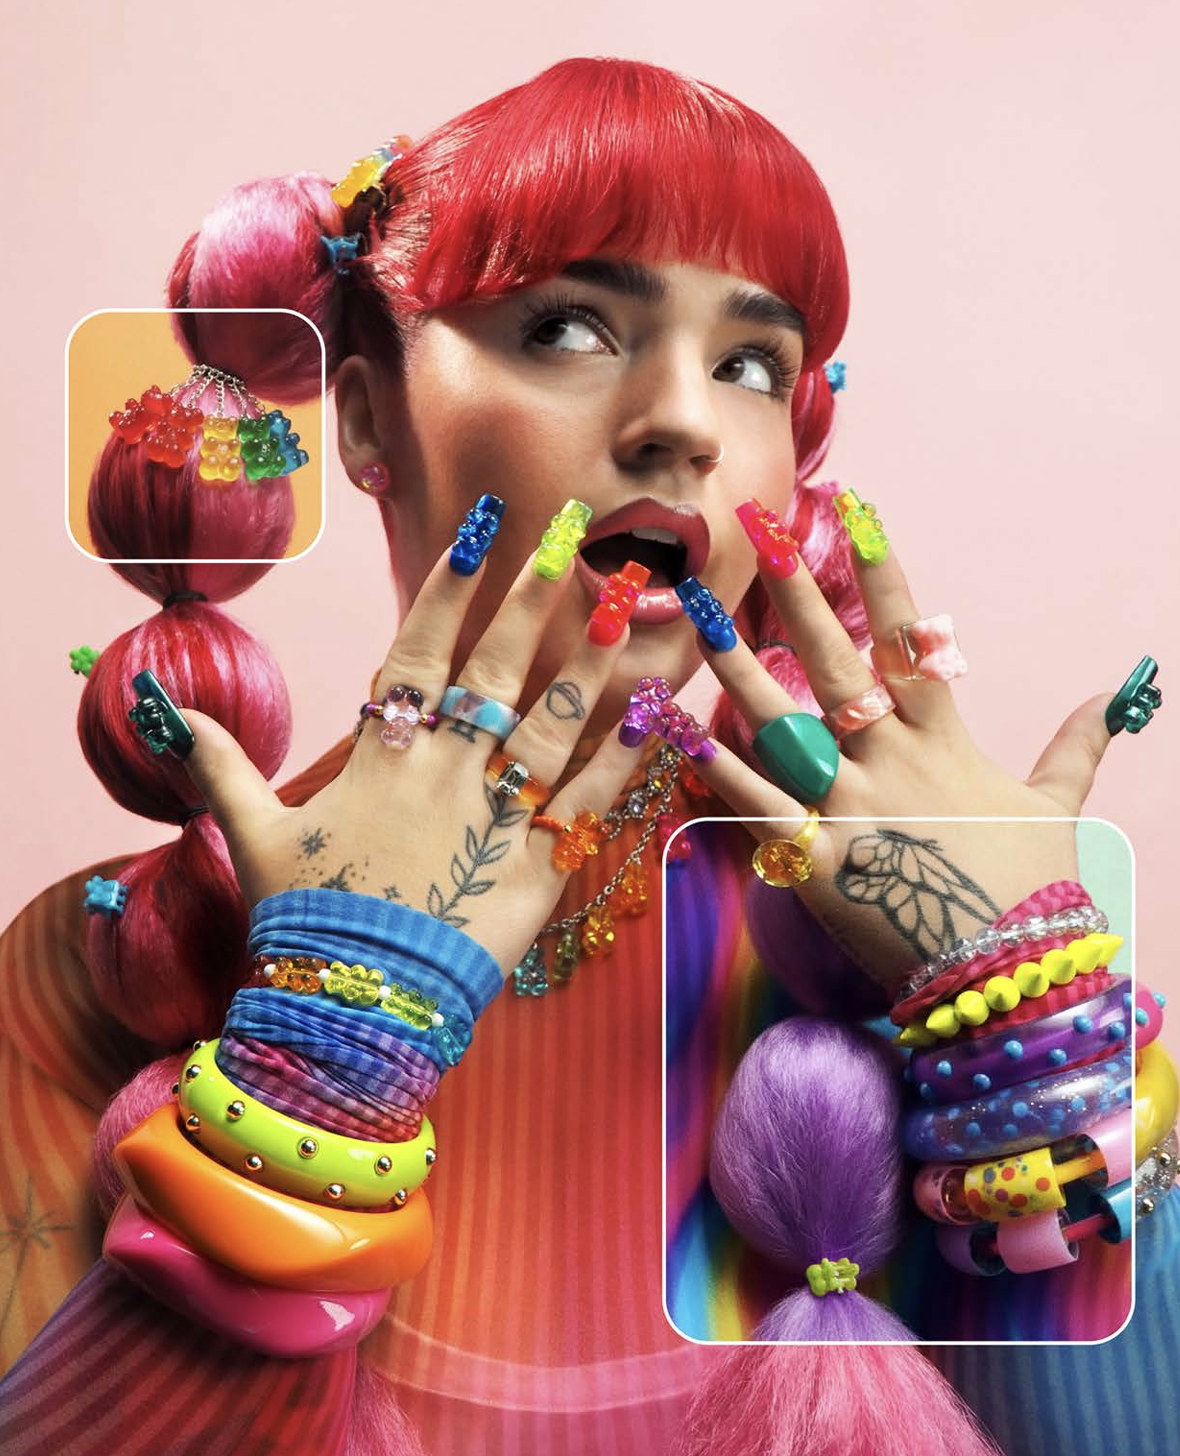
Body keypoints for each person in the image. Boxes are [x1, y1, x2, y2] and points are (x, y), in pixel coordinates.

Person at [0, 56, 1165, 1456]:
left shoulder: (915, 950)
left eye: (751, 363)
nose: (681, 421)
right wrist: (326, 1055)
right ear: (366, 418)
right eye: (566, 329)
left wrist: (1030, 1018)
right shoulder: (93, 964)